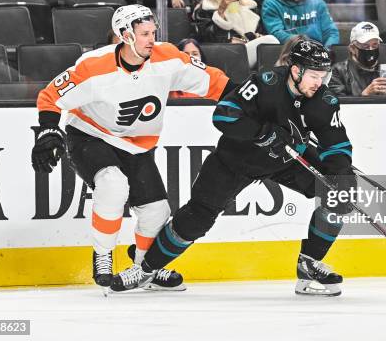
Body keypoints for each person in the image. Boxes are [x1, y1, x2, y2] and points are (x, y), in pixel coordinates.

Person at [109, 38, 357, 297]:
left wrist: (339, 174)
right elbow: (224, 114)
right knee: (198, 217)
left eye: (323, 76)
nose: (320, 83)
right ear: (296, 71)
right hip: (235, 160)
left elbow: (337, 144)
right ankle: (147, 269)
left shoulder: (324, 101)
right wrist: (262, 133)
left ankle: (309, 266)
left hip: (286, 159)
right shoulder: (266, 82)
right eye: (314, 76)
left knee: (341, 192)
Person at [30, 5, 233, 291]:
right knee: (112, 185)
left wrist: (252, 99)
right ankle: (102, 255)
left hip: (139, 147)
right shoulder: (93, 66)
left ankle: (144, 270)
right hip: (91, 136)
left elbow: (214, 82)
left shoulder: (167, 58)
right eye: (144, 34)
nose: (152, 39)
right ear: (125, 35)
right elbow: (50, 96)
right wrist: (49, 131)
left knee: (157, 212)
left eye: (153, 33)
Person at [193, 0, 279, 66]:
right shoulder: (205, 8)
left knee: (270, 45)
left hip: (246, 56)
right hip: (219, 57)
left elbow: (258, 35)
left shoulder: (250, 8)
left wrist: (254, 37)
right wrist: (221, 11)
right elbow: (207, 39)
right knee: (271, 41)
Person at [329, 22, 386, 97]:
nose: (371, 50)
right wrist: (364, 95)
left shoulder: (385, 70)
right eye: (365, 46)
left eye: (375, 45)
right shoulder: (337, 71)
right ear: (352, 48)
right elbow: (338, 104)